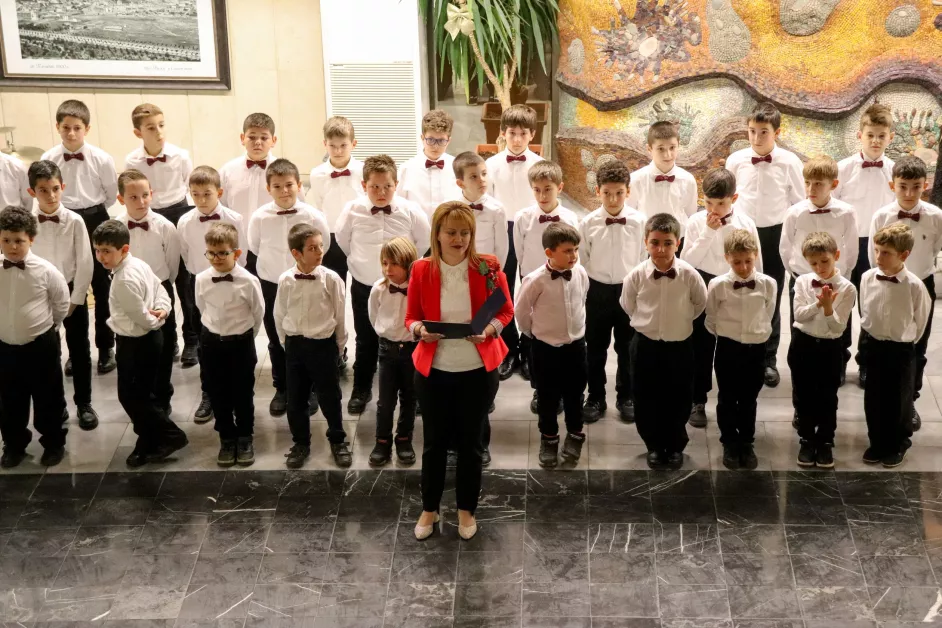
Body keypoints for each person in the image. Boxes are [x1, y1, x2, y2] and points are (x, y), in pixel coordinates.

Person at [406, 201, 513, 542]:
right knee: (434, 443)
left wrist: (490, 329)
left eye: (465, 233)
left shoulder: (487, 266)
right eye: (451, 232)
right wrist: (420, 330)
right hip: (434, 370)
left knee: (471, 444)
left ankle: (466, 508)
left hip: (477, 370)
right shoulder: (421, 269)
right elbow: (411, 317)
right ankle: (430, 508)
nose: (459, 239)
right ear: (437, 234)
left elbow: (504, 311)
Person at [335, 154, 430, 414]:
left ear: (396, 184)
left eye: (387, 186)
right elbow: (343, 241)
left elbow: (422, 243)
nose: (381, 192)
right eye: (374, 186)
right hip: (365, 284)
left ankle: (414, 390)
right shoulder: (352, 210)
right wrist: (362, 265)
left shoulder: (411, 211)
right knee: (365, 337)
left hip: (403, 287)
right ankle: (362, 386)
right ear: (364, 185)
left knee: (408, 337)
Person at [92, 219, 188, 468]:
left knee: (132, 397)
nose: (100, 257)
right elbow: (161, 291)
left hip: (137, 342)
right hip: (148, 338)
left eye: (106, 251)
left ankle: (171, 436)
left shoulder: (124, 280)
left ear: (124, 249)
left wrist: (156, 319)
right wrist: (163, 311)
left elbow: (141, 318)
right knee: (141, 395)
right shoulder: (140, 263)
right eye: (97, 250)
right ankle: (148, 442)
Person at [725, 102, 804, 388]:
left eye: (763, 132)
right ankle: (738, 352)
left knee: (771, 293)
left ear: (776, 132)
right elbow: (729, 199)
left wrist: (793, 241)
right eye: (752, 131)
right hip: (743, 233)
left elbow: (798, 203)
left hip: (775, 235)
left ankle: (768, 359)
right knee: (738, 291)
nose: (756, 138)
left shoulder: (790, 162)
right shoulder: (736, 160)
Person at [621, 213, 707, 469]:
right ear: (646, 243)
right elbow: (628, 305)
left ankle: (675, 444)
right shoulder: (636, 276)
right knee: (645, 396)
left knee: (679, 397)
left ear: (677, 243)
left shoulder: (690, 275)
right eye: (655, 243)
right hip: (645, 345)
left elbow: (699, 304)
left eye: (668, 243)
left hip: (679, 345)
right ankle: (654, 445)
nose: (661, 249)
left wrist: (678, 323)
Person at [247, 158, 330, 417]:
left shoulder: (313, 216)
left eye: (289, 185)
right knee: (276, 337)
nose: (284, 191)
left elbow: (324, 244)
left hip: (305, 282)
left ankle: (309, 389)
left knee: (307, 336)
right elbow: (254, 247)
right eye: (277, 186)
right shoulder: (259, 217)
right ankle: (282, 388)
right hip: (273, 284)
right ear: (268, 188)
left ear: (299, 185)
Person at [41, 99, 119, 374]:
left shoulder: (102, 158)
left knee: (102, 285)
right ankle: (77, 352)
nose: (71, 133)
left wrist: (92, 212)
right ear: (57, 127)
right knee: (70, 284)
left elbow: (111, 194)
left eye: (77, 127)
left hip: (95, 218)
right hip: (62, 221)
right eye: (66, 128)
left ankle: (106, 347)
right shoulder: (48, 158)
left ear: (87, 128)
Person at [867, 155, 942, 432]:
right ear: (893, 185)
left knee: (917, 346)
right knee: (883, 341)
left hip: (921, 284)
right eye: (903, 186)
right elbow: (872, 255)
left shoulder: (936, 217)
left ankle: (909, 401)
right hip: (887, 284)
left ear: (925, 185)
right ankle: (879, 398)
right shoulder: (881, 216)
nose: (909, 193)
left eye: (916, 186)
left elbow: (936, 249)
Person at [681, 168, 761, 428]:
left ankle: (732, 400)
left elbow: (756, 262)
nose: (714, 210)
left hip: (734, 284)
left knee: (731, 347)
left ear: (734, 199)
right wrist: (708, 232)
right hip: (703, 283)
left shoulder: (746, 224)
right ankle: (697, 399)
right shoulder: (695, 222)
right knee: (700, 347)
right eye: (709, 203)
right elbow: (687, 261)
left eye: (721, 204)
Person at [27, 160, 98, 431]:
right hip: (40, 294)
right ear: (32, 192)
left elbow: (85, 262)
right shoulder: (27, 222)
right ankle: (57, 405)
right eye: (43, 190)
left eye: (55, 189)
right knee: (49, 353)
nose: (51, 195)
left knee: (79, 349)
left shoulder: (75, 221)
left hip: (70, 290)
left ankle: (84, 403)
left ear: (63, 187)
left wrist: (77, 298)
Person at [125, 103, 197, 366]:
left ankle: (192, 339)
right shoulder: (132, 161)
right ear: (138, 133)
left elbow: (190, 187)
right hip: (150, 215)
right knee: (158, 279)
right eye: (151, 128)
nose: (158, 132)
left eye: (161, 125)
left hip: (179, 212)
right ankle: (170, 338)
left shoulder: (180, 155)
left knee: (185, 283)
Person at [274, 224, 351, 469]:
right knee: (296, 400)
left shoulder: (331, 279)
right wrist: (287, 343)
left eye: (320, 246)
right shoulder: (286, 280)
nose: (319, 252)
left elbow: (340, 315)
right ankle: (300, 443)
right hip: (296, 346)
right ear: (296, 253)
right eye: (312, 248)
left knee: (330, 397)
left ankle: (338, 440)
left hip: (323, 345)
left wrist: (339, 347)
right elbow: (279, 314)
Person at [0, 206, 69, 468]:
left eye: (19, 240)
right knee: (9, 400)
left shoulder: (46, 271)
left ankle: (53, 443)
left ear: (31, 239)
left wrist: (49, 327)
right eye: (6, 240)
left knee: (47, 397)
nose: (12, 246)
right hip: (4, 346)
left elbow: (61, 304)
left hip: (40, 344)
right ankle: (14, 445)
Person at [516, 223, 589, 468]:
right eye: (567, 251)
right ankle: (549, 438)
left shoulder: (580, 272)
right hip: (545, 348)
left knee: (575, 394)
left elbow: (583, 297)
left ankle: (575, 434)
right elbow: (521, 312)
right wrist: (535, 334)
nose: (573, 255)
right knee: (547, 397)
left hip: (576, 346)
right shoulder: (535, 280)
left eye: (575, 249)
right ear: (549, 252)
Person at [779, 155, 858, 383]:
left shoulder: (846, 212)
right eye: (807, 183)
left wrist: (842, 277)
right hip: (803, 277)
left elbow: (851, 249)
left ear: (833, 184)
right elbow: (785, 247)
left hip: (835, 278)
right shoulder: (794, 212)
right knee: (801, 324)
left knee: (838, 323)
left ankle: (838, 364)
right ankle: (802, 369)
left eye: (818, 184)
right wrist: (797, 275)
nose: (811, 189)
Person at [177, 166, 245, 423]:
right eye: (195, 194)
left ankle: (237, 393)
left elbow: (243, 253)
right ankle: (209, 393)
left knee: (234, 338)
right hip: (200, 283)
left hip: (231, 281)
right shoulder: (185, 221)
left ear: (219, 192)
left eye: (207, 193)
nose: (201, 199)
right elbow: (186, 255)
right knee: (205, 341)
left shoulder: (235, 219)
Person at [860, 223, 930, 468]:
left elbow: (920, 322)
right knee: (873, 397)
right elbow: (865, 310)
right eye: (877, 251)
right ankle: (877, 442)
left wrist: (904, 340)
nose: (879, 257)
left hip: (900, 349)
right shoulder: (867, 278)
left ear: (904, 255)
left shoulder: (915, 286)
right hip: (874, 345)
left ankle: (898, 444)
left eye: (886, 253)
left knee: (899, 399)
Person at [705, 229, 776, 470]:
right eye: (737, 262)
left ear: (756, 255)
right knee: (727, 396)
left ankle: (746, 442)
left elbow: (768, 313)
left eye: (748, 260)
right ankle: (729, 442)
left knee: (749, 397)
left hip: (756, 348)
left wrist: (756, 333)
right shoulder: (717, 285)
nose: (743, 267)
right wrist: (728, 335)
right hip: (728, 347)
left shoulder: (768, 284)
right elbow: (711, 318)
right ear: (727, 258)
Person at [579, 160, 644, 423]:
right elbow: (583, 259)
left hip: (628, 289)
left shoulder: (639, 221)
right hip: (597, 291)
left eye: (619, 192)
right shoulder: (588, 223)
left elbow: (642, 257)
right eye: (607, 193)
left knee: (627, 347)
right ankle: (595, 396)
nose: (613, 199)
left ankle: (626, 396)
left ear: (628, 191)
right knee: (595, 347)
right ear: (598, 191)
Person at [194, 223, 263, 468]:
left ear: (236, 253)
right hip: (212, 342)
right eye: (211, 253)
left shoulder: (249, 281)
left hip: (240, 342)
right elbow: (201, 307)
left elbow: (258, 313)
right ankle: (226, 437)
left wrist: (244, 335)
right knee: (217, 392)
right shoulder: (202, 279)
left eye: (223, 253)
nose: (217, 258)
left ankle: (244, 437)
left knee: (242, 393)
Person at [114, 169, 181, 420]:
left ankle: (162, 396)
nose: (141, 202)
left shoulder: (165, 226)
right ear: (121, 199)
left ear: (152, 194)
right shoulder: (115, 227)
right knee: (133, 347)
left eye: (145, 195)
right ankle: (141, 398)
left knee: (163, 346)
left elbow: (172, 265)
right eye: (133, 197)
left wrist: (161, 289)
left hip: (159, 289)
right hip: (128, 290)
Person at [513, 160, 579, 404]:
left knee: (559, 333)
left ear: (559, 188)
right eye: (537, 190)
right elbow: (519, 251)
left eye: (548, 189)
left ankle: (562, 390)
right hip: (534, 280)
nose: (542, 195)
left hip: (561, 279)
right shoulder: (523, 217)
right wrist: (529, 276)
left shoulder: (571, 218)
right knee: (536, 337)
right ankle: (540, 389)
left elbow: (576, 252)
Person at [789, 232, 856, 469]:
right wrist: (820, 303)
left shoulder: (847, 289)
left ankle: (826, 441)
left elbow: (838, 328)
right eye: (813, 263)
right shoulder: (802, 282)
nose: (820, 268)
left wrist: (828, 309)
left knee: (828, 397)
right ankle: (807, 440)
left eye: (824, 261)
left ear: (836, 255)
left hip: (830, 347)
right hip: (803, 344)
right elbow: (799, 316)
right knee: (803, 395)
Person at [485, 104, 542, 379]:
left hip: (533, 229)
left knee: (534, 290)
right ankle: (507, 349)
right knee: (500, 291)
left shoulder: (541, 166)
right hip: (502, 229)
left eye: (523, 133)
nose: (517, 139)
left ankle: (530, 351)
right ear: (502, 133)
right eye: (512, 133)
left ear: (532, 134)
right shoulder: (490, 166)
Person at [834, 103, 895, 342]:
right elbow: (833, 206)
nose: (875, 141)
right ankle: (840, 353)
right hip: (848, 243)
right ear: (860, 135)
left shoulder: (894, 171)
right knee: (842, 300)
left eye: (881, 136)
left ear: (890, 137)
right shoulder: (843, 169)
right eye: (870, 135)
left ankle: (868, 356)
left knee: (873, 303)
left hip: (881, 244)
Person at [368, 236, 419, 466]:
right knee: (385, 401)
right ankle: (382, 441)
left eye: (394, 264)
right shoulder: (378, 290)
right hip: (387, 350)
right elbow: (374, 317)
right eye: (384, 263)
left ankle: (404, 439)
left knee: (409, 398)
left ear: (408, 264)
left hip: (411, 350)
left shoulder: (418, 290)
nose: (388, 269)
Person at [309, 115, 364, 287]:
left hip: (358, 234)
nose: (338, 151)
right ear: (325, 144)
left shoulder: (364, 170)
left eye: (343, 146)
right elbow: (318, 206)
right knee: (333, 285)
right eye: (332, 146)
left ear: (353, 144)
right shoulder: (316, 174)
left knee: (362, 283)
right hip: (331, 235)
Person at [627, 121, 698, 245]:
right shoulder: (635, 180)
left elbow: (691, 215)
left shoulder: (688, 180)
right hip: (646, 243)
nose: (668, 154)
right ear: (649, 148)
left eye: (672, 148)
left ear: (678, 145)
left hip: (679, 242)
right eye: (661, 149)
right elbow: (629, 215)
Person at [219, 112, 283, 225]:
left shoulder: (284, 171)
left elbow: (297, 206)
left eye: (264, 138)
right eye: (252, 137)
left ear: (273, 140)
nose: (258, 142)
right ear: (242, 138)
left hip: (273, 233)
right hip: (237, 234)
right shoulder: (227, 171)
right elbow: (220, 207)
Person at [398, 110, 461, 220]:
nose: (435, 146)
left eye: (441, 141)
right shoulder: (406, 169)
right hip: (415, 229)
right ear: (422, 138)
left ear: (449, 141)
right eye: (431, 140)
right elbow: (399, 204)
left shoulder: (457, 167)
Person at [452, 151, 508, 268]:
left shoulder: (497, 210)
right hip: (458, 266)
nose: (482, 179)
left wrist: (495, 272)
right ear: (460, 184)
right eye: (474, 177)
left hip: (486, 268)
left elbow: (501, 248)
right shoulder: (451, 208)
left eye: (484, 174)